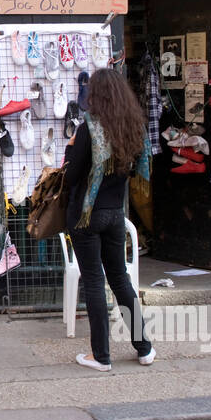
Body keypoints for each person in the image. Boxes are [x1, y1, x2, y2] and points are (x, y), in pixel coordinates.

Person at [62, 67, 154, 372]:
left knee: (93, 280)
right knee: (119, 280)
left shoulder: (90, 127)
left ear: (97, 95)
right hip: (116, 214)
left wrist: (69, 153)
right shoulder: (133, 128)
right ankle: (144, 348)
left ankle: (100, 356)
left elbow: (73, 175)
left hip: (87, 215)